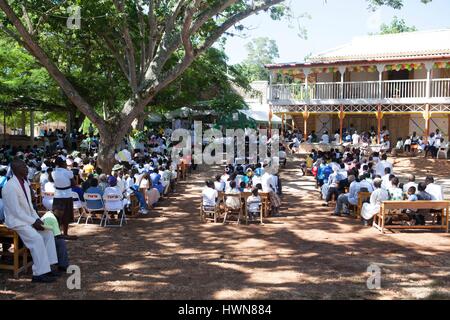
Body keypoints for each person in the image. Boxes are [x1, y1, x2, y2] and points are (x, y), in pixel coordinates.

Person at [2, 159, 59, 283]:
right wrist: (33, 222)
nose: (27, 168)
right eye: (23, 166)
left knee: (48, 233)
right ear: (16, 169)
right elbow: (16, 211)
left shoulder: (24, 183)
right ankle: (39, 274)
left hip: (28, 219)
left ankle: (48, 267)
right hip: (16, 221)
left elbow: (29, 206)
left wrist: (37, 219)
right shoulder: (10, 187)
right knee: (36, 238)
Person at [52, 157, 76, 240]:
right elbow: (74, 183)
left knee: (57, 215)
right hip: (67, 195)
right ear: (62, 164)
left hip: (57, 195)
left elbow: (51, 180)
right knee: (66, 214)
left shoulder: (53, 172)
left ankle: (57, 233)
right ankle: (65, 233)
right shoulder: (68, 172)